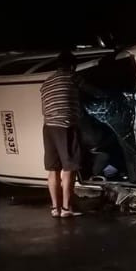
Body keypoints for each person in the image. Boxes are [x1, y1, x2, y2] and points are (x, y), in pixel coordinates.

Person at [41, 49, 83, 218]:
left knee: (52, 169)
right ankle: (66, 208)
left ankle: (54, 208)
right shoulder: (72, 77)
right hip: (65, 125)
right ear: (72, 66)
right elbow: (94, 92)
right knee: (69, 168)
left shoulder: (47, 82)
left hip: (48, 127)